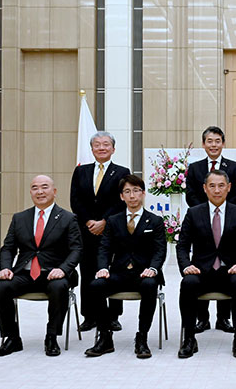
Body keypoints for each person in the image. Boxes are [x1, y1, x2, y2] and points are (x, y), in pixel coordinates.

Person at [0, 175, 82, 357]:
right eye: (35, 188)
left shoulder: (68, 218)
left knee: (59, 287)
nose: (39, 191)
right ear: (31, 192)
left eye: (44, 187)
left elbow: (76, 249)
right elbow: (8, 248)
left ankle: (51, 337)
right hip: (24, 273)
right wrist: (5, 268)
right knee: (1, 288)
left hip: (54, 273)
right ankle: (12, 338)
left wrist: (63, 269)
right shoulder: (20, 218)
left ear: (54, 192)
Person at [84, 175, 167, 359]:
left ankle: (142, 337)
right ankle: (105, 337)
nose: (132, 196)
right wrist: (103, 267)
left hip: (144, 273)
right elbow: (104, 248)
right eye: (127, 192)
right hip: (119, 273)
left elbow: (160, 250)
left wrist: (153, 269)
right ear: (121, 196)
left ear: (143, 193)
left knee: (149, 285)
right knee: (95, 286)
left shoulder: (155, 221)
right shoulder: (113, 221)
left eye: (136, 191)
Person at [177, 170, 236, 359]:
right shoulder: (194, 213)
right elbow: (182, 246)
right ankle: (189, 338)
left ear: (229, 188)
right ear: (204, 188)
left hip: (229, 271)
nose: (217, 190)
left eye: (221, 185)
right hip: (201, 271)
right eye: (212, 186)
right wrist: (186, 266)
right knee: (188, 283)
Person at [70, 131, 130, 332]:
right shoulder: (81, 171)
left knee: (112, 270)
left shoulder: (122, 172)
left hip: (112, 229)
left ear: (113, 149)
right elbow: (75, 200)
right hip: (86, 231)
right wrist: (89, 221)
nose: (102, 148)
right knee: (87, 271)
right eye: (97, 145)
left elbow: (121, 200)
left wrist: (104, 221)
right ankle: (89, 316)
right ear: (92, 148)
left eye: (106, 144)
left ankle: (113, 316)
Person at [185, 126, 236, 335]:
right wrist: (206, 212)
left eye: (217, 141)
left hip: (226, 224)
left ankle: (223, 318)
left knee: (227, 262)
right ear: (203, 144)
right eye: (209, 141)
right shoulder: (195, 167)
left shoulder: (233, 167)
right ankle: (203, 319)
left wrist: (220, 209)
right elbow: (190, 194)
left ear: (223, 144)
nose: (214, 145)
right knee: (202, 264)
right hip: (201, 225)